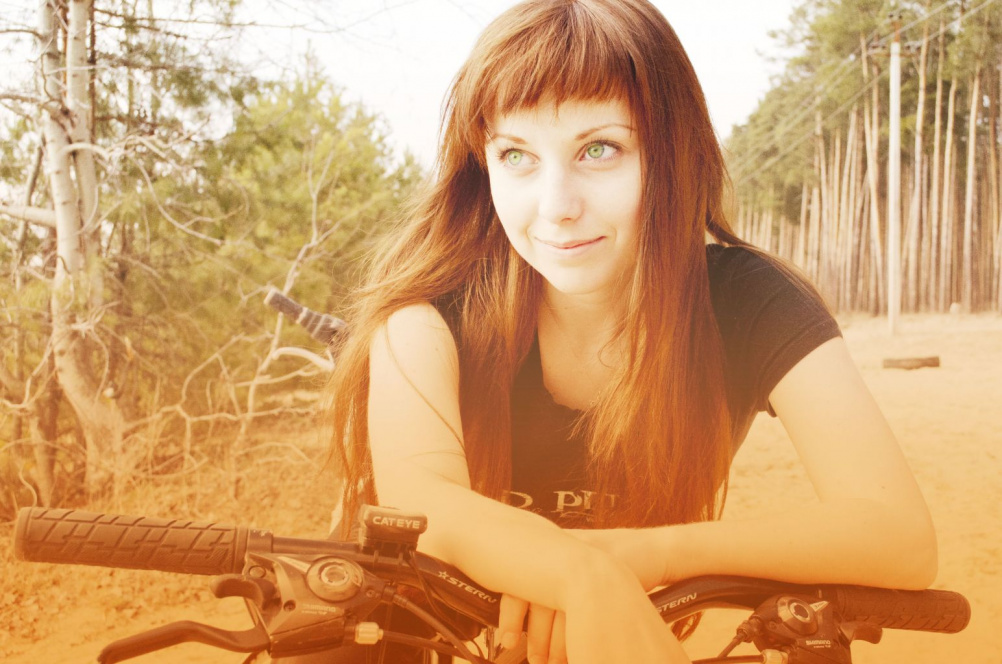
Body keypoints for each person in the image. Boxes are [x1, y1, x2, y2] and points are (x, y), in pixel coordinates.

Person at [319, 1, 938, 662]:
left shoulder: (749, 303)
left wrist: (648, 554)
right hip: (395, 635)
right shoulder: (428, 310)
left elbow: (899, 536)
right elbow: (426, 506)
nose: (557, 206)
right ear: (483, 165)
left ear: (672, 153)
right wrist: (585, 576)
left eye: (599, 149)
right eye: (516, 155)